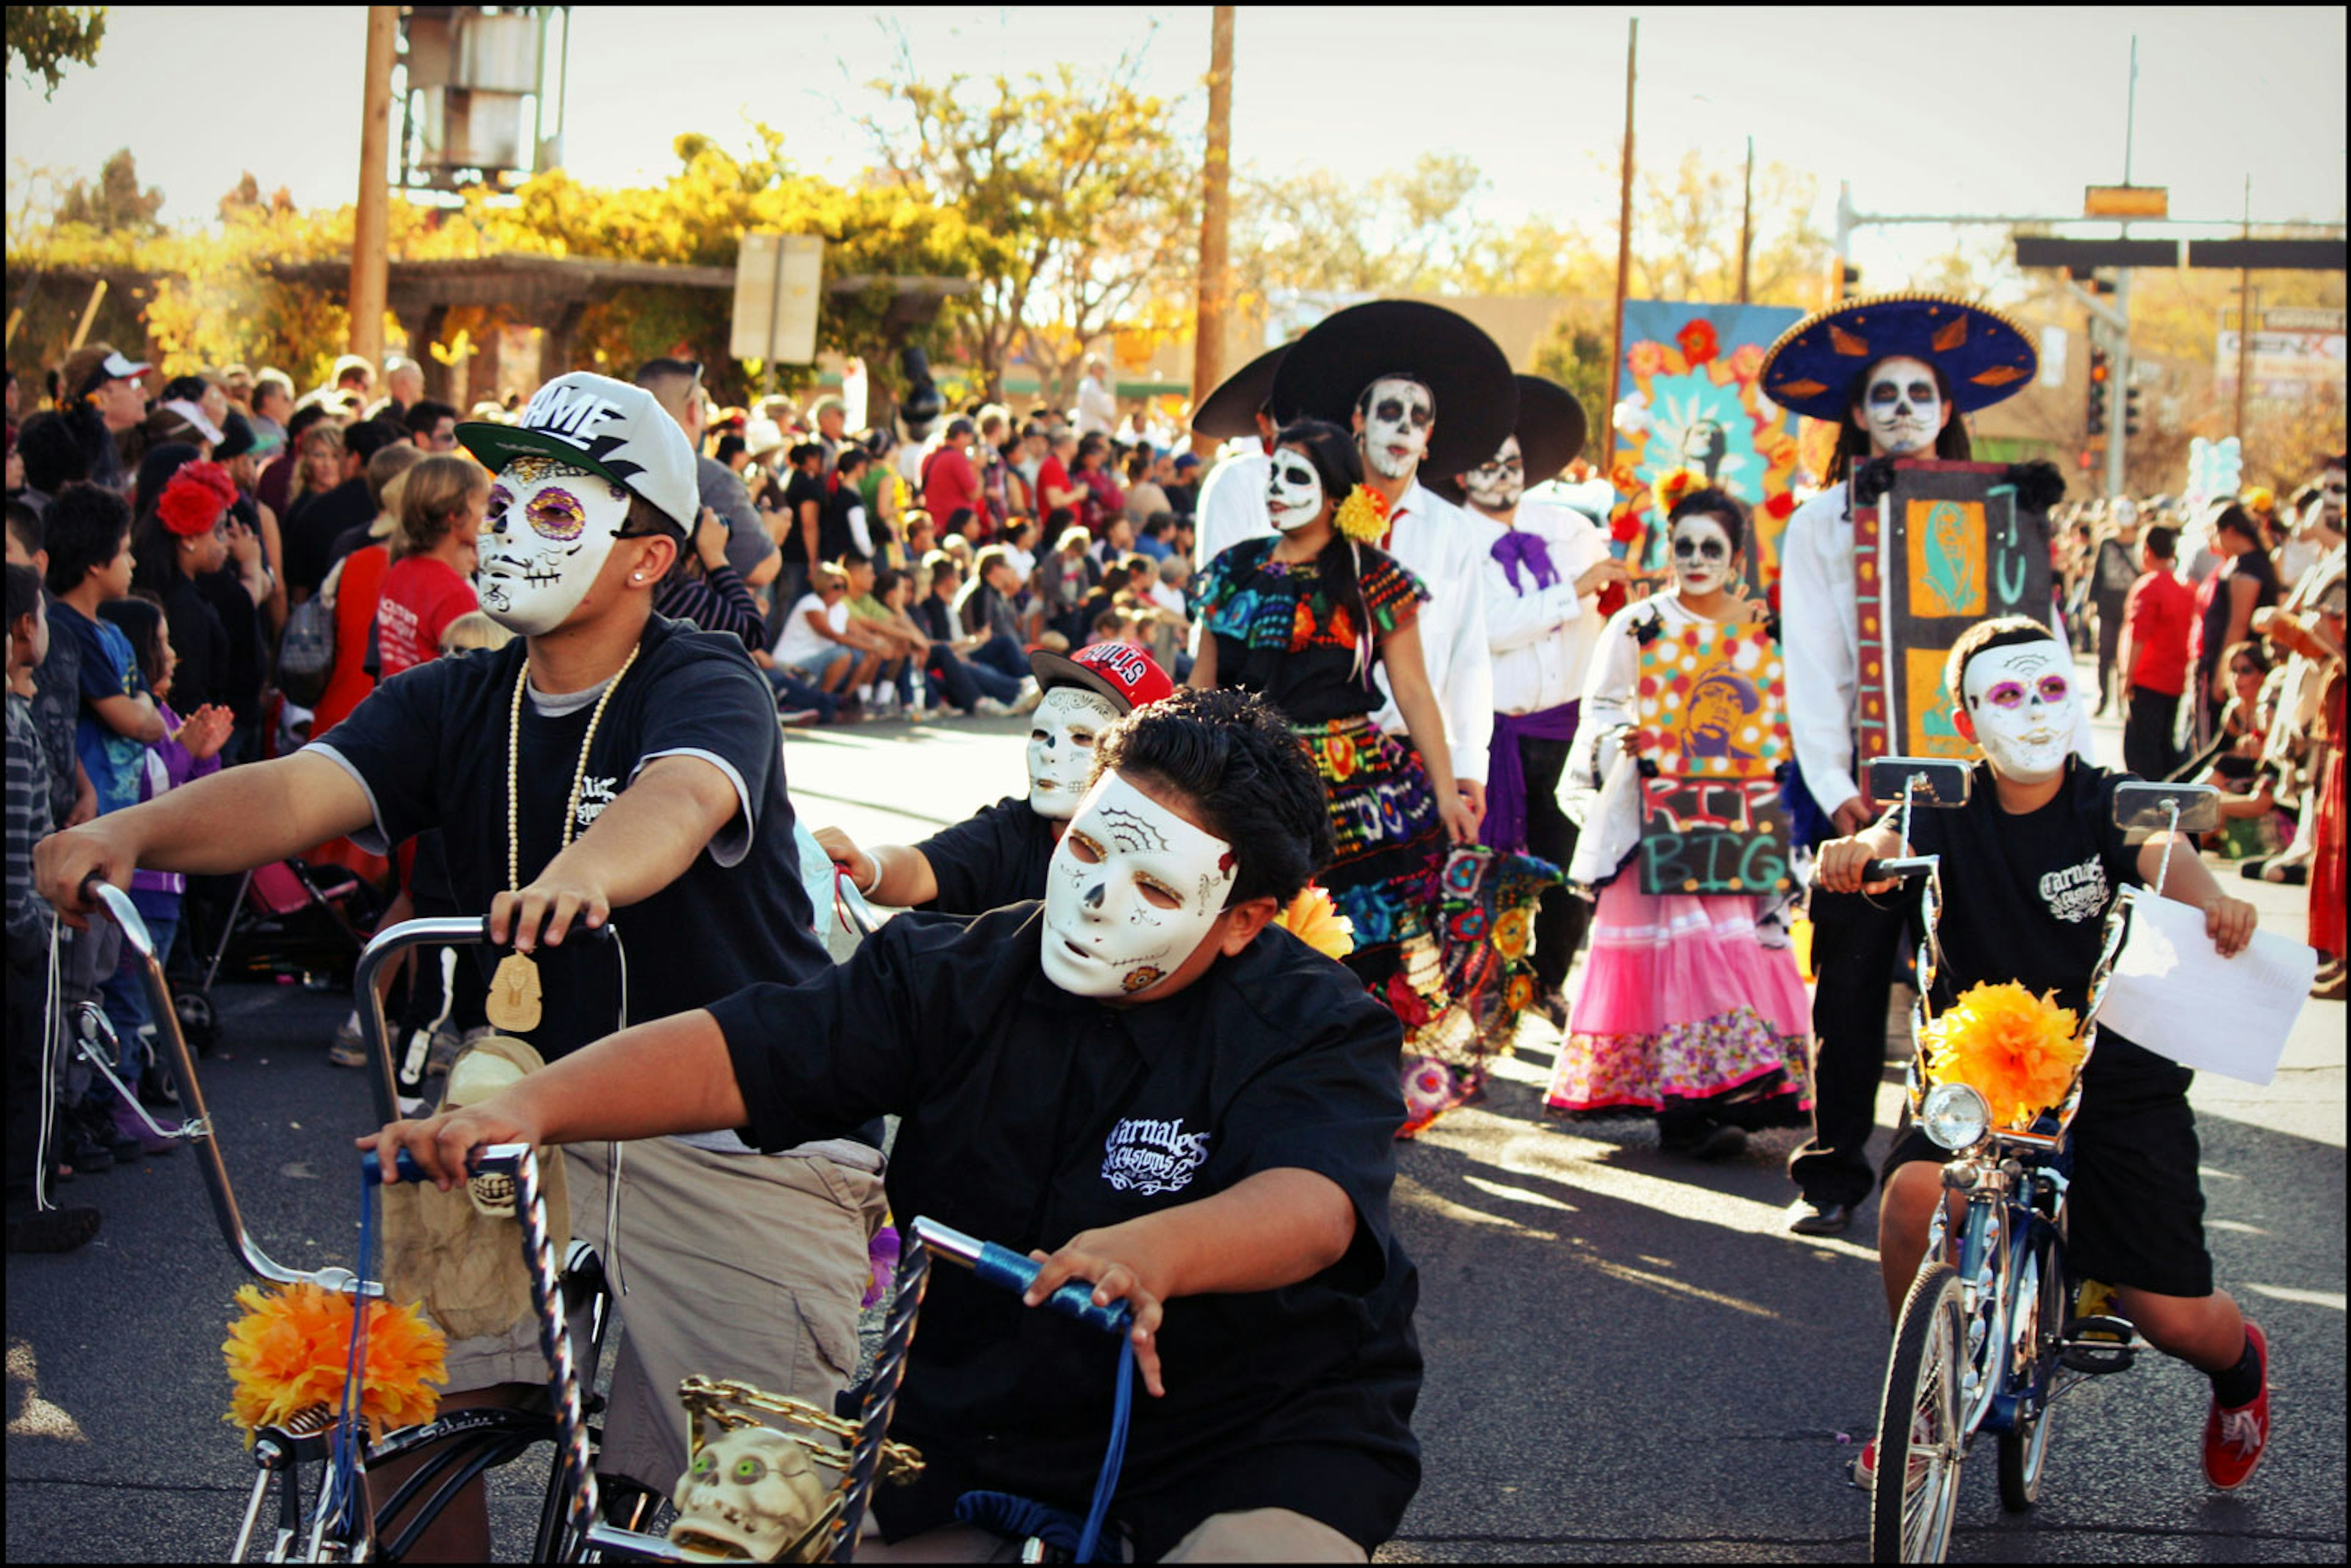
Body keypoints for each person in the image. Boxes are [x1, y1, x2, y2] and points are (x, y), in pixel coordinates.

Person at [36, 371, 888, 1550]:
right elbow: (297, 787)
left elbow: (685, 794)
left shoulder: (704, 677)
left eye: (559, 508)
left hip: (738, 1137)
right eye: (509, 496)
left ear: (646, 555)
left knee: (754, 1500)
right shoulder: (456, 692)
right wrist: (127, 830)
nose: (513, 523)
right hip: (508, 1113)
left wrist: (589, 868)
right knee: (397, 1409)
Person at [362, 686, 1423, 1563]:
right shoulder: (951, 971)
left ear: (1244, 919)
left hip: (1249, 1433)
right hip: (975, 1425)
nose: (1096, 898)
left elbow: (1316, 1205)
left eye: (1152, 883)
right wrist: (523, 1107)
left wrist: (1158, 1249)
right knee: (754, 1547)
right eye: (1092, 848)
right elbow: (743, 1048)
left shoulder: (1320, 1025)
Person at [1817, 615, 2273, 1495]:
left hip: (2111, 1067)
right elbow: (1886, 838)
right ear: (1967, 718)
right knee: (1912, 1198)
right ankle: (1921, 1404)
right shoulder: (1941, 798)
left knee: (2173, 1318)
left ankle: (2241, 1371)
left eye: (2052, 689)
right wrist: (1857, 855)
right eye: (2008, 695)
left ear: (2081, 698)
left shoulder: (2109, 797)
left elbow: (2163, 849)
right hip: (1980, 1060)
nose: (2032, 711)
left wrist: (2215, 899)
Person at [1759, 292, 2055, 1236]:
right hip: (1861, 783)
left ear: (1945, 406)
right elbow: (1810, 661)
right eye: (1881, 393)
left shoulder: (1997, 513)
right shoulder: (1818, 523)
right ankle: (1834, 1170)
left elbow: (2033, 651)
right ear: (1855, 412)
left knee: (1961, 979)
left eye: (1918, 392)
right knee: (1847, 986)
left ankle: (1929, 1162)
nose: (1900, 408)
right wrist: (1836, 790)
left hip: (1975, 786)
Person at [1191, 419, 1494, 1130]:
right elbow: (1202, 682)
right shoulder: (1233, 570)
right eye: (1272, 476)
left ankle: (1349, 1090)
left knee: (1359, 943)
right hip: (1248, 779)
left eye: (1295, 478)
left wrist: (1448, 787)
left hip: (1352, 793)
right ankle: (1247, 1081)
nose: (1276, 491)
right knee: (1240, 927)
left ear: (1333, 493)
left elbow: (1415, 691)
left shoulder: (1372, 575)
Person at [1547, 489, 1810, 1156]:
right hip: (1652, 816)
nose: (1695, 559)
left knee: (1730, 946)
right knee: (1682, 949)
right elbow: (1600, 712)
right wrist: (1625, 738)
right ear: (1667, 550)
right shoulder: (1637, 625)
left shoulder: (1761, 628)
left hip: (1735, 816)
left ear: (1737, 557)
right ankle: (1685, 1109)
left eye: (1711, 548)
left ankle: (1735, 1096)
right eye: (1683, 545)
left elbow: (1787, 717)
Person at [1442, 375, 1624, 1021]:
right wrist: (1572, 592)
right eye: (1487, 465)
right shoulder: (1451, 536)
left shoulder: (1568, 526)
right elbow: (1486, 629)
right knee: (1488, 869)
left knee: (1571, 868)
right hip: (1492, 736)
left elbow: (1609, 607)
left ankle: (1546, 980)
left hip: (1569, 726)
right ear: (1462, 475)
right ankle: (1482, 988)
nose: (1502, 475)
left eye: (1512, 463)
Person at [819, 641, 1172, 915]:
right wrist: (869, 867)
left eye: (1082, 737)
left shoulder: (1173, 853)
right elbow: (925, 865)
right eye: (1040, 734)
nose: (1049, 751)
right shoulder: (1012, 830)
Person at [7, 560, 102, 1253]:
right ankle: (29, 1198)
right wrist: (28, 925)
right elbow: (19, 838)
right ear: (23, 630)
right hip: (20, 931)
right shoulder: (13, 727)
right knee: (30, 1071)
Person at [634, 358, 781, 593]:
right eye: (703, 405)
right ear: (693, 410)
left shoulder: (611, 461)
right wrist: (771, 527)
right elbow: (762, 569)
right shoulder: (709, 477)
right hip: (692, 618)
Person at [375, 454, 486, 678]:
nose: (490, 515)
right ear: (455, 515)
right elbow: (470, 680)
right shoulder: (454, 594)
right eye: (484, 504)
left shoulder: (402, 568)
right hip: (432, 708)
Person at [2192, 503, 2282, 748]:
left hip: (2236, 663)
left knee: (2213, 743)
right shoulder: (2246, 563)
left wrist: (2225, 676)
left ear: (2231, 531)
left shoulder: (2248, 567)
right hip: (2229, 661)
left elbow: (2238, 624)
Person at [284, 419, 399, 599]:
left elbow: (298, 589)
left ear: (353, 459)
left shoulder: (315, 511)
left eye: (336, 456)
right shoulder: (403, 510)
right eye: (320, 455)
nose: (328, 464)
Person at [2119, 524, 2194, 780]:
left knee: (2142, 752)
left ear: (2147, 551)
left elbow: (2138, 635)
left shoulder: (2149, 586)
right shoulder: (2182, 588)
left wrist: (2127, 676)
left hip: (2149, 677)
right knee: (2163, 746)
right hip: (2173, 679)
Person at [56, 345, 151, 495]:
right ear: (100, 399)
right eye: (132, 384)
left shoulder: (103, 451)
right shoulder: (82, 463)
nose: (143, 393)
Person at [2090, 499, 2143, 716]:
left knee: (2127, 654)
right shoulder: (2107, 543)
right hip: (2108, 603)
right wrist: (2092, 603)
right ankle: (2104, 699)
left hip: (2132, 604)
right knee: (2105, 653)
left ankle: (2125, 700)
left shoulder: (2140, 542)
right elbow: (2098, 575)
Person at [920, 416, 986, 535]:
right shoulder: (956, 459)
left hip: (935, 526)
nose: (970, 445)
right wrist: (978, 469)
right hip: (954, 527)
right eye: (969, 439)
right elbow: (974, 494)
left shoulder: (930, 457)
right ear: (961, 435)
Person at [1073, 353, 1117, 437]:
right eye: (1101, 368)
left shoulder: (1093, 384)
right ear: (1094, 369)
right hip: (1092, 430)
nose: (1103, 372)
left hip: (1095, 428)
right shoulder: (1090, 386)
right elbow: (1102, 408)